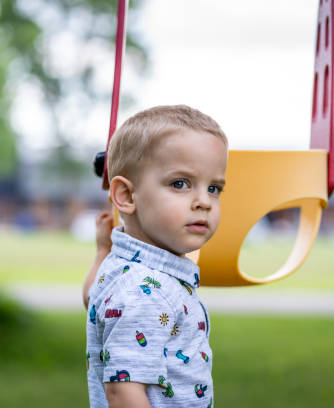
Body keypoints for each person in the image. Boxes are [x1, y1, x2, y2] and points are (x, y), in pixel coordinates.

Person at [83, 105, 228, 407]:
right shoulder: (145, 291)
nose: (204, 201)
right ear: (126, 196)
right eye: (180, 184)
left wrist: (101, 253)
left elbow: (91, 300)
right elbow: (123, 391)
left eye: (214, 188)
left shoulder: (125, 266)